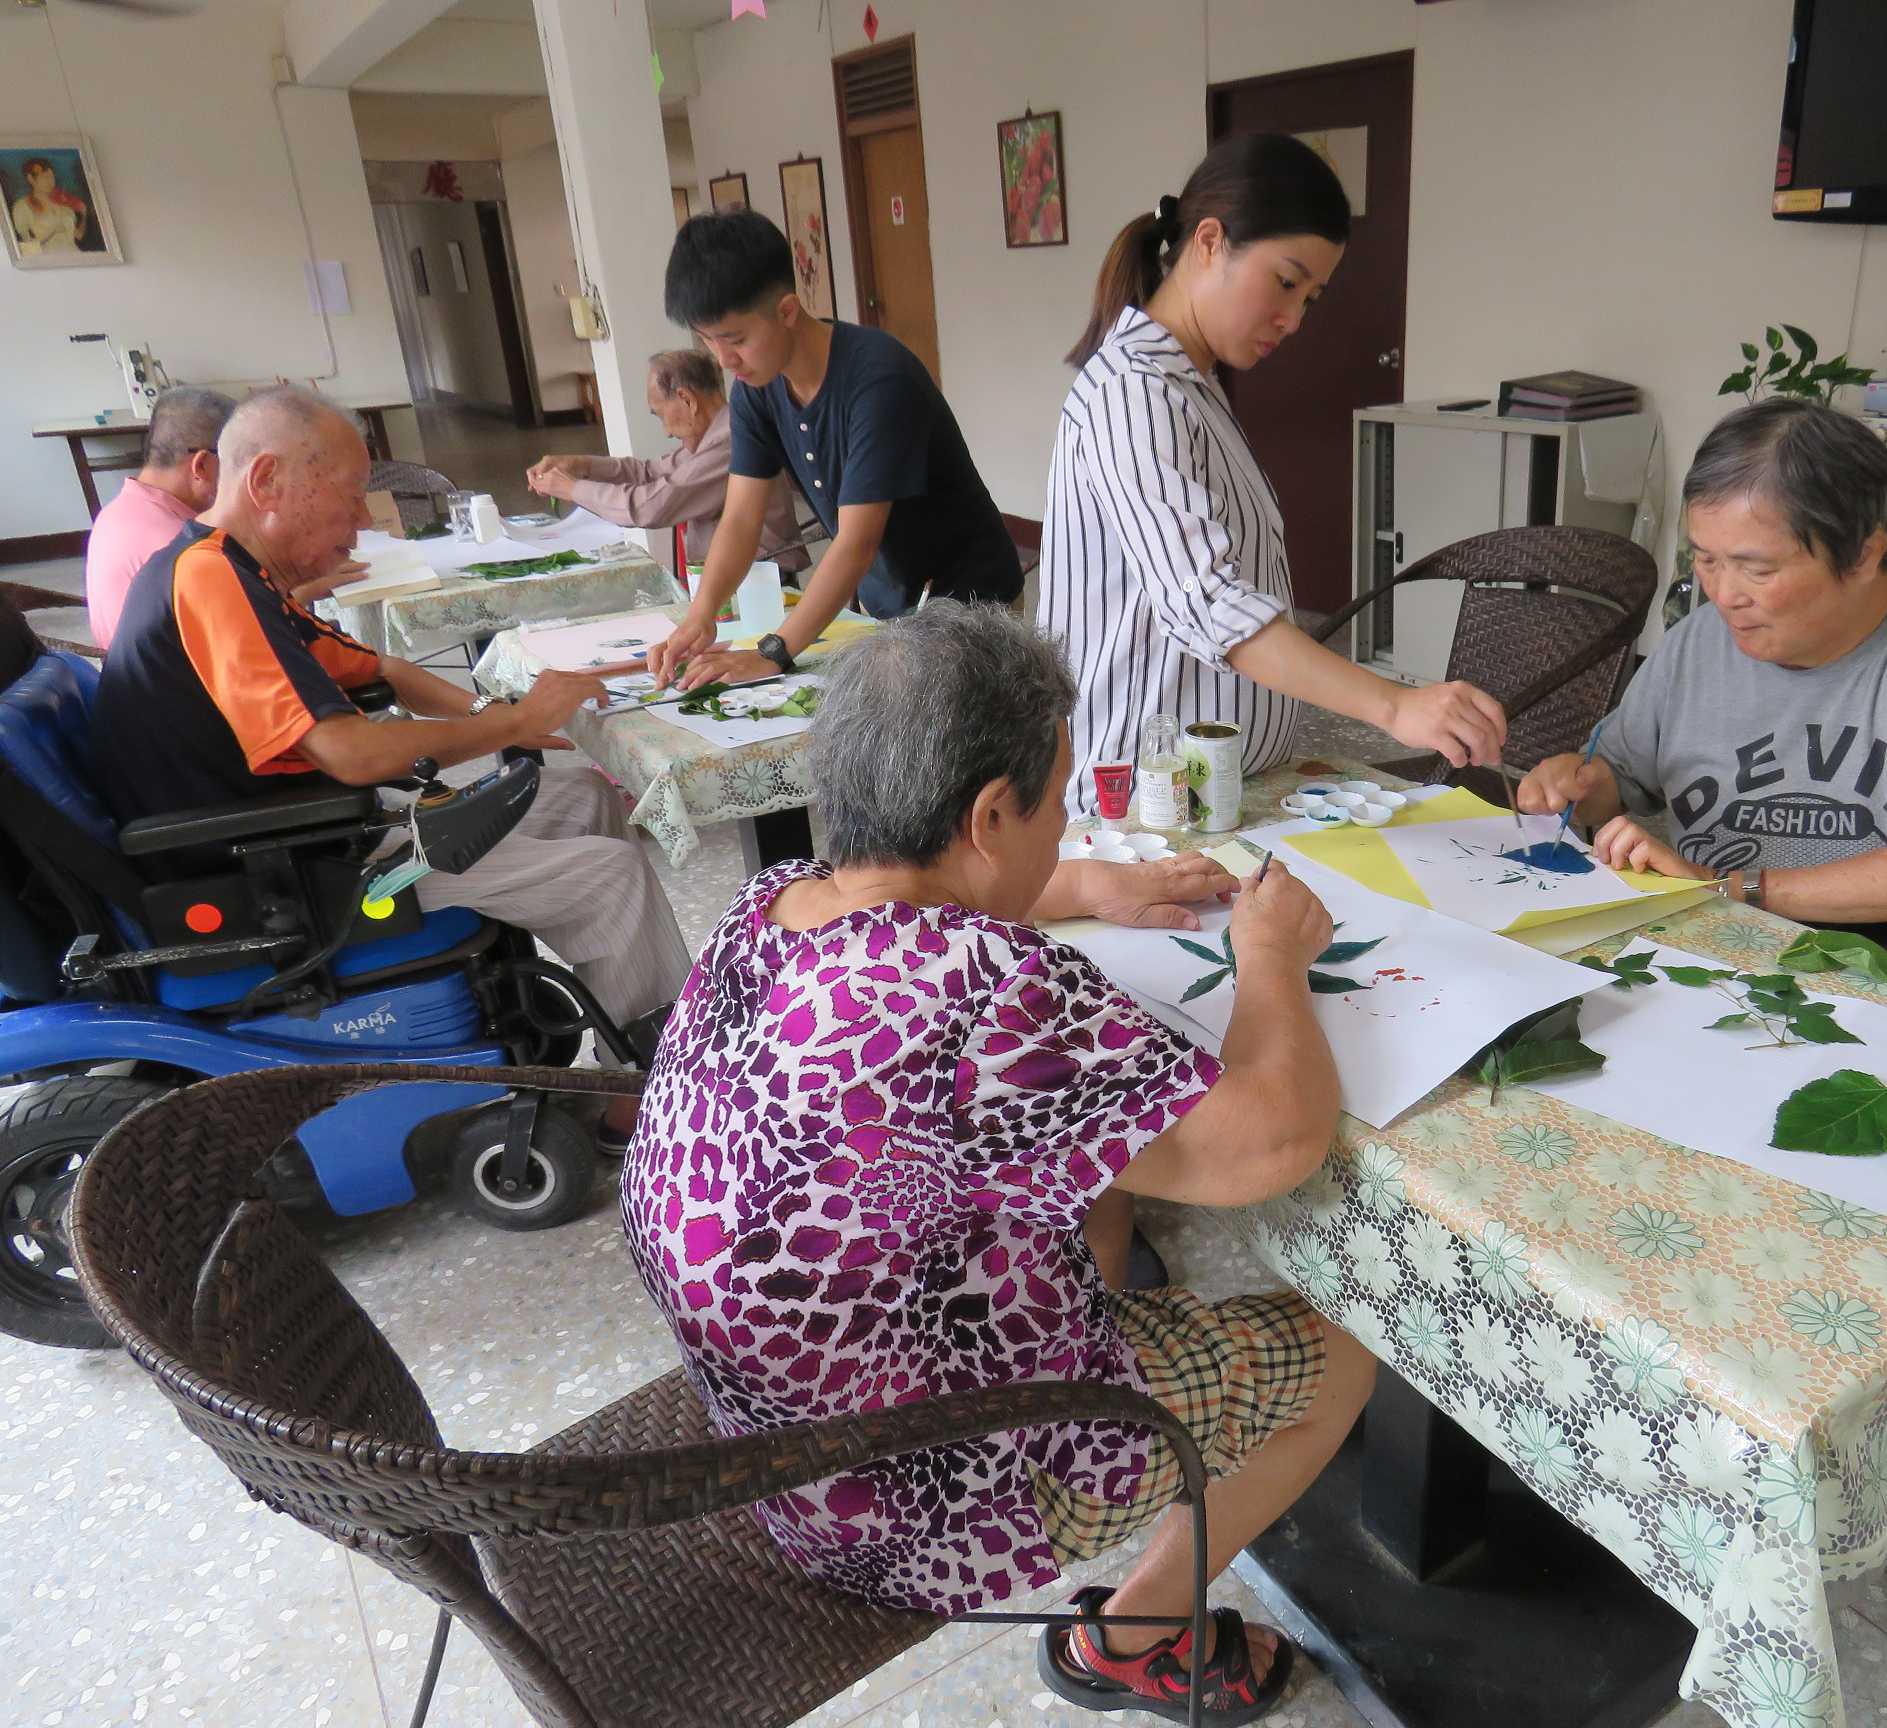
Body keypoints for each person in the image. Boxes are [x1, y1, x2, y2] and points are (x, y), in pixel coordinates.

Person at [622, 603, 1375, 1720]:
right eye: (1058, 806)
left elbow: (918, 899)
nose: (1064, 829)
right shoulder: (985, 989)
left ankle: (1114, 1382)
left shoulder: (762, 909)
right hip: (922, 1494)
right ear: (987, 814)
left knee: (1099, 1183)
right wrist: (1271, 958)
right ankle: (1137, 1633)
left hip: (777, 1432)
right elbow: (1274, 1141)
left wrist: (1082, 885)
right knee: (1349, 1351)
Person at [92, 386, 692, 1131]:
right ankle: (643, 1105)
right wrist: (514, 718)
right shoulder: (209, 580)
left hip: (316, 834)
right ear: (267, 480)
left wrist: (502, 723)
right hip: (289, 869)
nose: (363, 521)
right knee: (611, 879)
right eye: (348, 496)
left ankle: (620, 1025)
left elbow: (385, 671)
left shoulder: (237, 575)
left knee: (584, 799)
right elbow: (344, 750)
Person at [1518, 397, 1887, 1008]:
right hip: (1724, 957)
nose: (1723, 595)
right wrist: (1579, 785)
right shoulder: (1699, 639)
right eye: (1707, 559)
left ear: (1862, 555)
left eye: (1755, 569)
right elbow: (1622, 776)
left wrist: (1729, 888)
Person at [1041, 134, 1507, 819]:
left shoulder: (1189, 385)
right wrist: (1394, 704)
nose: (1291, 320)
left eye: (1311, 299)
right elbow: (1209, 602)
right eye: (1285, 282)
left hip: (1219, 793)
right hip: (1144, 813)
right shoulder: (1133, 393)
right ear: (1208, 241)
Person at [643, 211, 1021, 691]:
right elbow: (741, 517)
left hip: (973, 605)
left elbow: (856, 542)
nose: (723, 360)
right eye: (707, 341)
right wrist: (700, 616)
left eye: (735, 340)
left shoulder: (877, 379)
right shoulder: (756, 386)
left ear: (786, 311)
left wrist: (773, 653)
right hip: (897, 606)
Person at [521, 348, 809, 575]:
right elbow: (647, 472)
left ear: (687, 399)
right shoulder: (714, 436)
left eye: (660, 414)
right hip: (737, 580)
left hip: (760, 583)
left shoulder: (730, 443)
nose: (665, 430)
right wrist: (580, 464)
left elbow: (649, 506)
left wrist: (571, 489)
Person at [85, 388, 236, 651]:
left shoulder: (119, 510)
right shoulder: (178, 543)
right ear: (201, 466)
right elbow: (239, 641)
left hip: (128, 677)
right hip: (172, 688)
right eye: (237, 463)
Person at [10, 157, 86, 256]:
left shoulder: (62, 204)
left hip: (74, 256)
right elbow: (26, 247)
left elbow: (78, 236)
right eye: (45, 177)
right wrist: (52, 231)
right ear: (31, 179)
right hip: (47, 260)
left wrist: (84, 215)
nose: (50, 181)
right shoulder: (22, 206)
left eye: (51, 177)